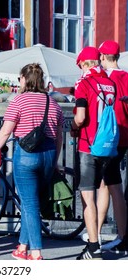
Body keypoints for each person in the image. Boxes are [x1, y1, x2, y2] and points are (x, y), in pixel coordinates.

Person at [0, 63, 64, 260]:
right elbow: (58, 137)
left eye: (19, 78)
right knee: (33, 202)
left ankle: (36, 252)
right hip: (48, 154)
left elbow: (6, 131)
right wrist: (54, 160)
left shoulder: (19, 101)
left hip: (26, 155)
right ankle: (22, 247)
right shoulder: (53, 103)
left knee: (29, 204)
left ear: (24, 79)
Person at [71, 46, 117, 260]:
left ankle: (93, 245)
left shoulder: (83, 83)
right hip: (108, 146)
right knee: (101, 190)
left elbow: (80, 117)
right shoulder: (110, 83)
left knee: (87, 196)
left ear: (83, 64)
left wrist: (73, 125)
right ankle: (95, 238)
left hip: (88, 145)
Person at [88, 40, 127, 253]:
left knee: (112, 186)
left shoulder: (104, 80)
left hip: (109, 140)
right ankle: (99, 231)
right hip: (125, 136)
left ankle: (121, 236)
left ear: (102, 57)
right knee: (107, 184)